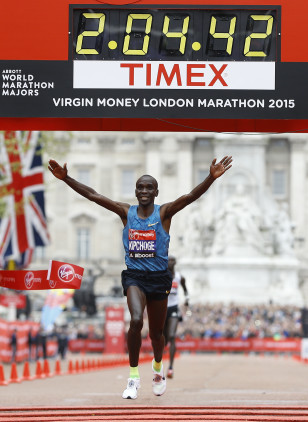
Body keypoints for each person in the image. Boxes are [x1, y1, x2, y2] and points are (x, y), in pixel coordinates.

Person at [48, 154, 232, 400]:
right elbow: (93, 195)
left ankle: (158, 368)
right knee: (136, 320)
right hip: (134, 276)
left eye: (149, 187)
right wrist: (66, 178)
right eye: (140, 187)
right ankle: (133, 377)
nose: (144, 191)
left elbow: (190, 197)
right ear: (135, 192)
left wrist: (210, 178)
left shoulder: (165, 212)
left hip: (158, 278)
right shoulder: (126, 212)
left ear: (156, 192)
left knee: (156, 334)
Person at [164, 255, 189, 379]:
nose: (170, 262)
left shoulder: (179, 277)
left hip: (173, 308)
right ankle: (158, 362)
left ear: (175, 263)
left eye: (172, 260)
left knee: (172, 336)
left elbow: (185, 290)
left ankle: (171, 367)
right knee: (163, 339)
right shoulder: (161, 275)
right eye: (168, 260)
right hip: (162, 309)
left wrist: (187, 301)